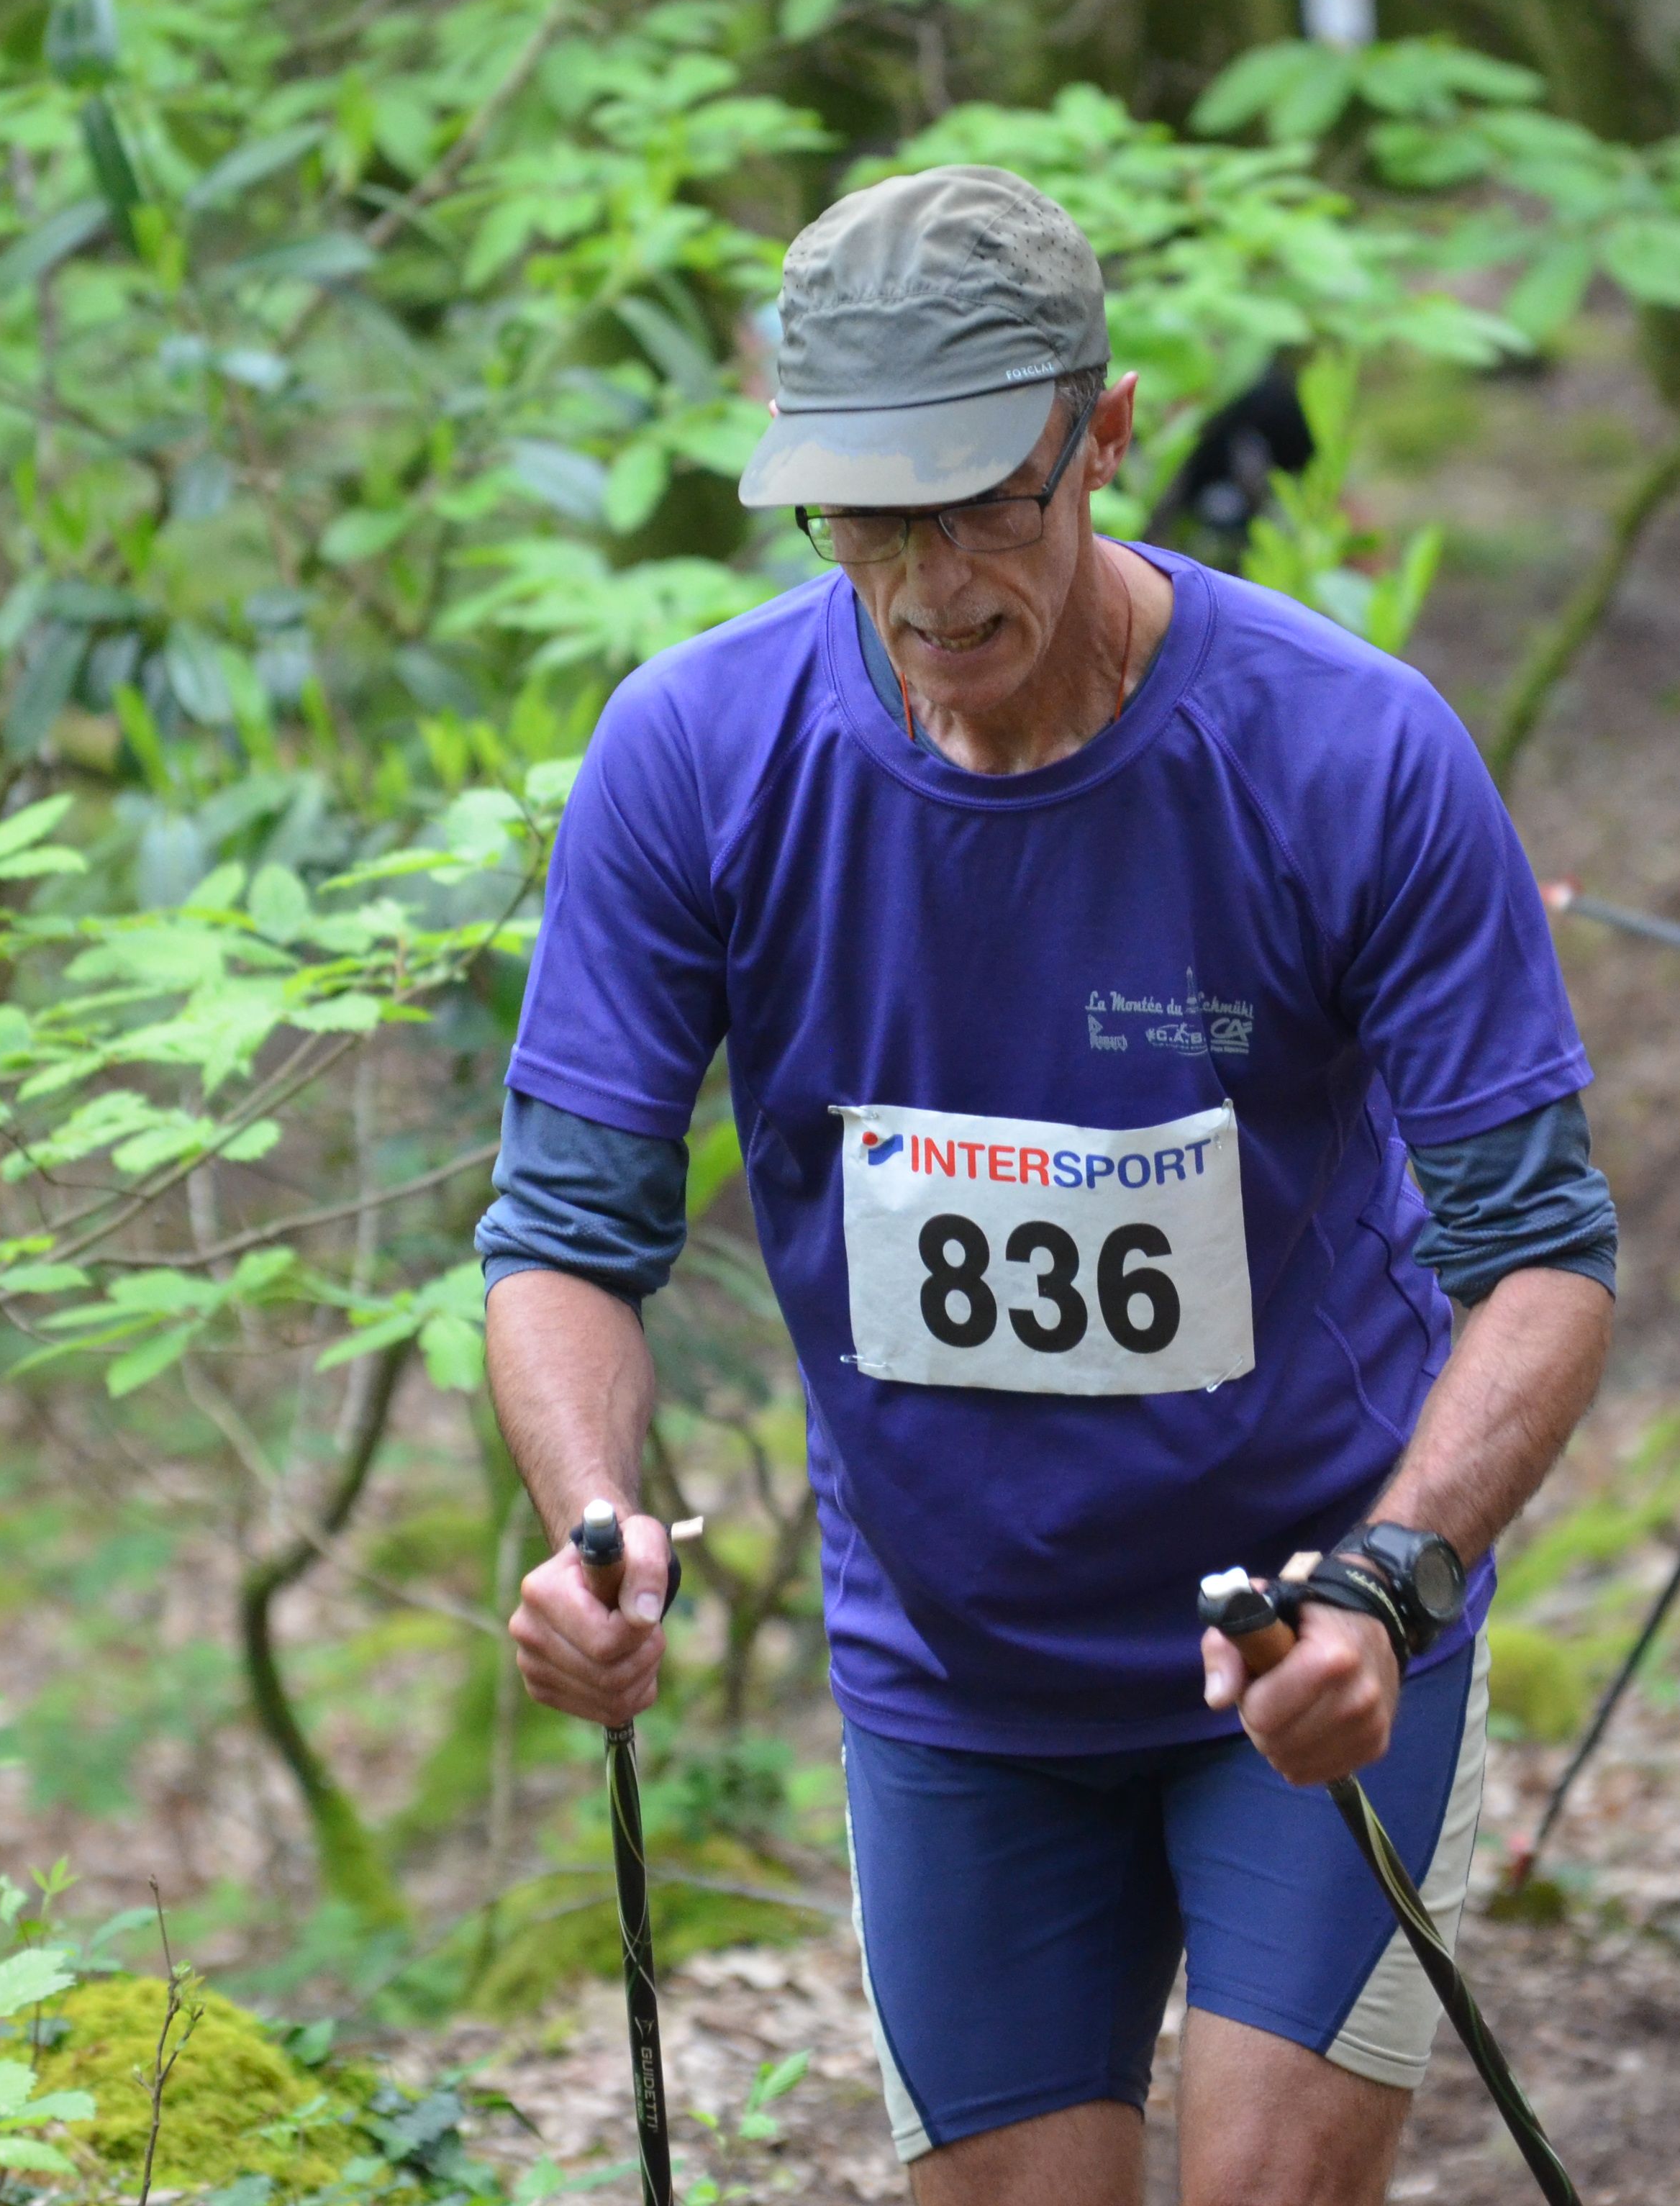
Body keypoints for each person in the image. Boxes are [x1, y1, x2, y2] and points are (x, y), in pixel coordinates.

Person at [475, 165, 1618, 2206]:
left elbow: (1542, 1256)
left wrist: (1396, 1577)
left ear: (1104, 436)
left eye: (981, 506)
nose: (926, 584)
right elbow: (565, 1239)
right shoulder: (696, 756)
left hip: (1303, 1633)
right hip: (957, 1684)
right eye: (863, 516)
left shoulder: (1349, 753)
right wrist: (594, 1525)